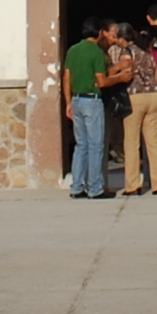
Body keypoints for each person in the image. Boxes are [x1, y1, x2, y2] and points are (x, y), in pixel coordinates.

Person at [114, 23, 157, 197]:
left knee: (131, 143)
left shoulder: (127, 52)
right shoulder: (148, 53)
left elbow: (126, 72)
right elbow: (154, 76)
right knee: (153, 141)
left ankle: (133, 185)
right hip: (153, 96)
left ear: (123, 39)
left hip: (135, 97)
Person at [63, 16, 113, 199]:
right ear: (100, 32)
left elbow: (67, 77)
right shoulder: (96, 52)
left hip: (76, 99)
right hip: (92, 100)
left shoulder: (73, 50)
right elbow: (102, 81)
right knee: (95, 145)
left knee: (81, 145)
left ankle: (76, 186)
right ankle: (95, 187)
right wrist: (118, 77)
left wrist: (68, 102)